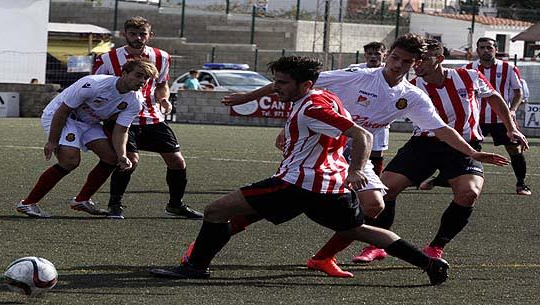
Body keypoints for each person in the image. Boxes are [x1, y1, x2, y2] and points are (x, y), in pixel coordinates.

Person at [216, 33, 509, 277]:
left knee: (373, 206)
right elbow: (298, 81)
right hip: (319, 149)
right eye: (394, 58)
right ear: (388, 55)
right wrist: (247, 96)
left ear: (415, 63)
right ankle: (217, 236)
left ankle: (322, 258)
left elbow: (441, 129)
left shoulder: (413, 96)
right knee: (285, 202)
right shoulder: (356, 76)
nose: (398, 65)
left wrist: (472, 152)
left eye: (406, 61)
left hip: (357, 152)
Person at [150, 56, 450, 286]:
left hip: (297, 183)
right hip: (330, 187)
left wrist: (358, 169)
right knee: (357, 230)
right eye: (276, 81)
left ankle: (195, 267)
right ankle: (429, 264)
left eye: (282, 83)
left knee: (216, 210)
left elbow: (362, 135)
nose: (276, 87)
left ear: (305, 85)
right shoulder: (323, 98)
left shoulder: (313, 107)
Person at [375, 39, 527, 261]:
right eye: (415, 60)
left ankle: (436, 246)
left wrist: (511, 128)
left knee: (469, 193)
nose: (417, 64)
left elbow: (494, 97)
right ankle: (379, 244)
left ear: (440, 60)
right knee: (384, 190)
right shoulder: (411, 87)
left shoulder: (469, 76)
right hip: (424, 145)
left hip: (465, 146)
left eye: (423, 59)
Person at [16, 60, 158, 218]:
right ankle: (28, 203)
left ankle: (82, 200)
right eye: (138, 75)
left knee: (111, 159)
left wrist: (122, 155)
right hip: (61, 116)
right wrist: (52, 141)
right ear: (124, 73)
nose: (142, 81)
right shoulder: (93, 85)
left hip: (89, 122)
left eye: (146, 78)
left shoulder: (135, 101)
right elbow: (62, 111)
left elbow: (121, 130)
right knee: (70, 161)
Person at [92, 16, 203, 219]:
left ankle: (175, 205)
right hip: (121, 118)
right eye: (133, 34)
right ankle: (115, 205)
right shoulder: (107, 58)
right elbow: (95, 84)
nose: (138, 38)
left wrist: (164, 100)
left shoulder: (162, 57)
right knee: (130, 160)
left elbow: (162, 84)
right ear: (124, 34)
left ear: (150, 35)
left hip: (152, 117)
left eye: (142, 34)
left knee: (177, 162)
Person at [466, 37, 531, 196]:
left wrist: (512, 110)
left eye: (489, 47)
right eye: (482, 47)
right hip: (476, 118)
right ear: (477, 50)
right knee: (466, 150)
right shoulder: (468, 68)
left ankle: (521, 184)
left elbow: (518, 92)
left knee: (514, 149)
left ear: (496, 49)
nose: (486, 50)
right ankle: (448, 180)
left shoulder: (508, 67)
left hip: (502, 118)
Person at [347, 41, 388, 176]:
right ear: (365, 56)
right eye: (370, 54)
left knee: (376, 151)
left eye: (377, 53)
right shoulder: (355, 69)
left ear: (384, 55)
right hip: (356, 117)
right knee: (349, 150)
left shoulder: (390, 71)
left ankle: (375, 179)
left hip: (379, 118)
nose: (373, 57)